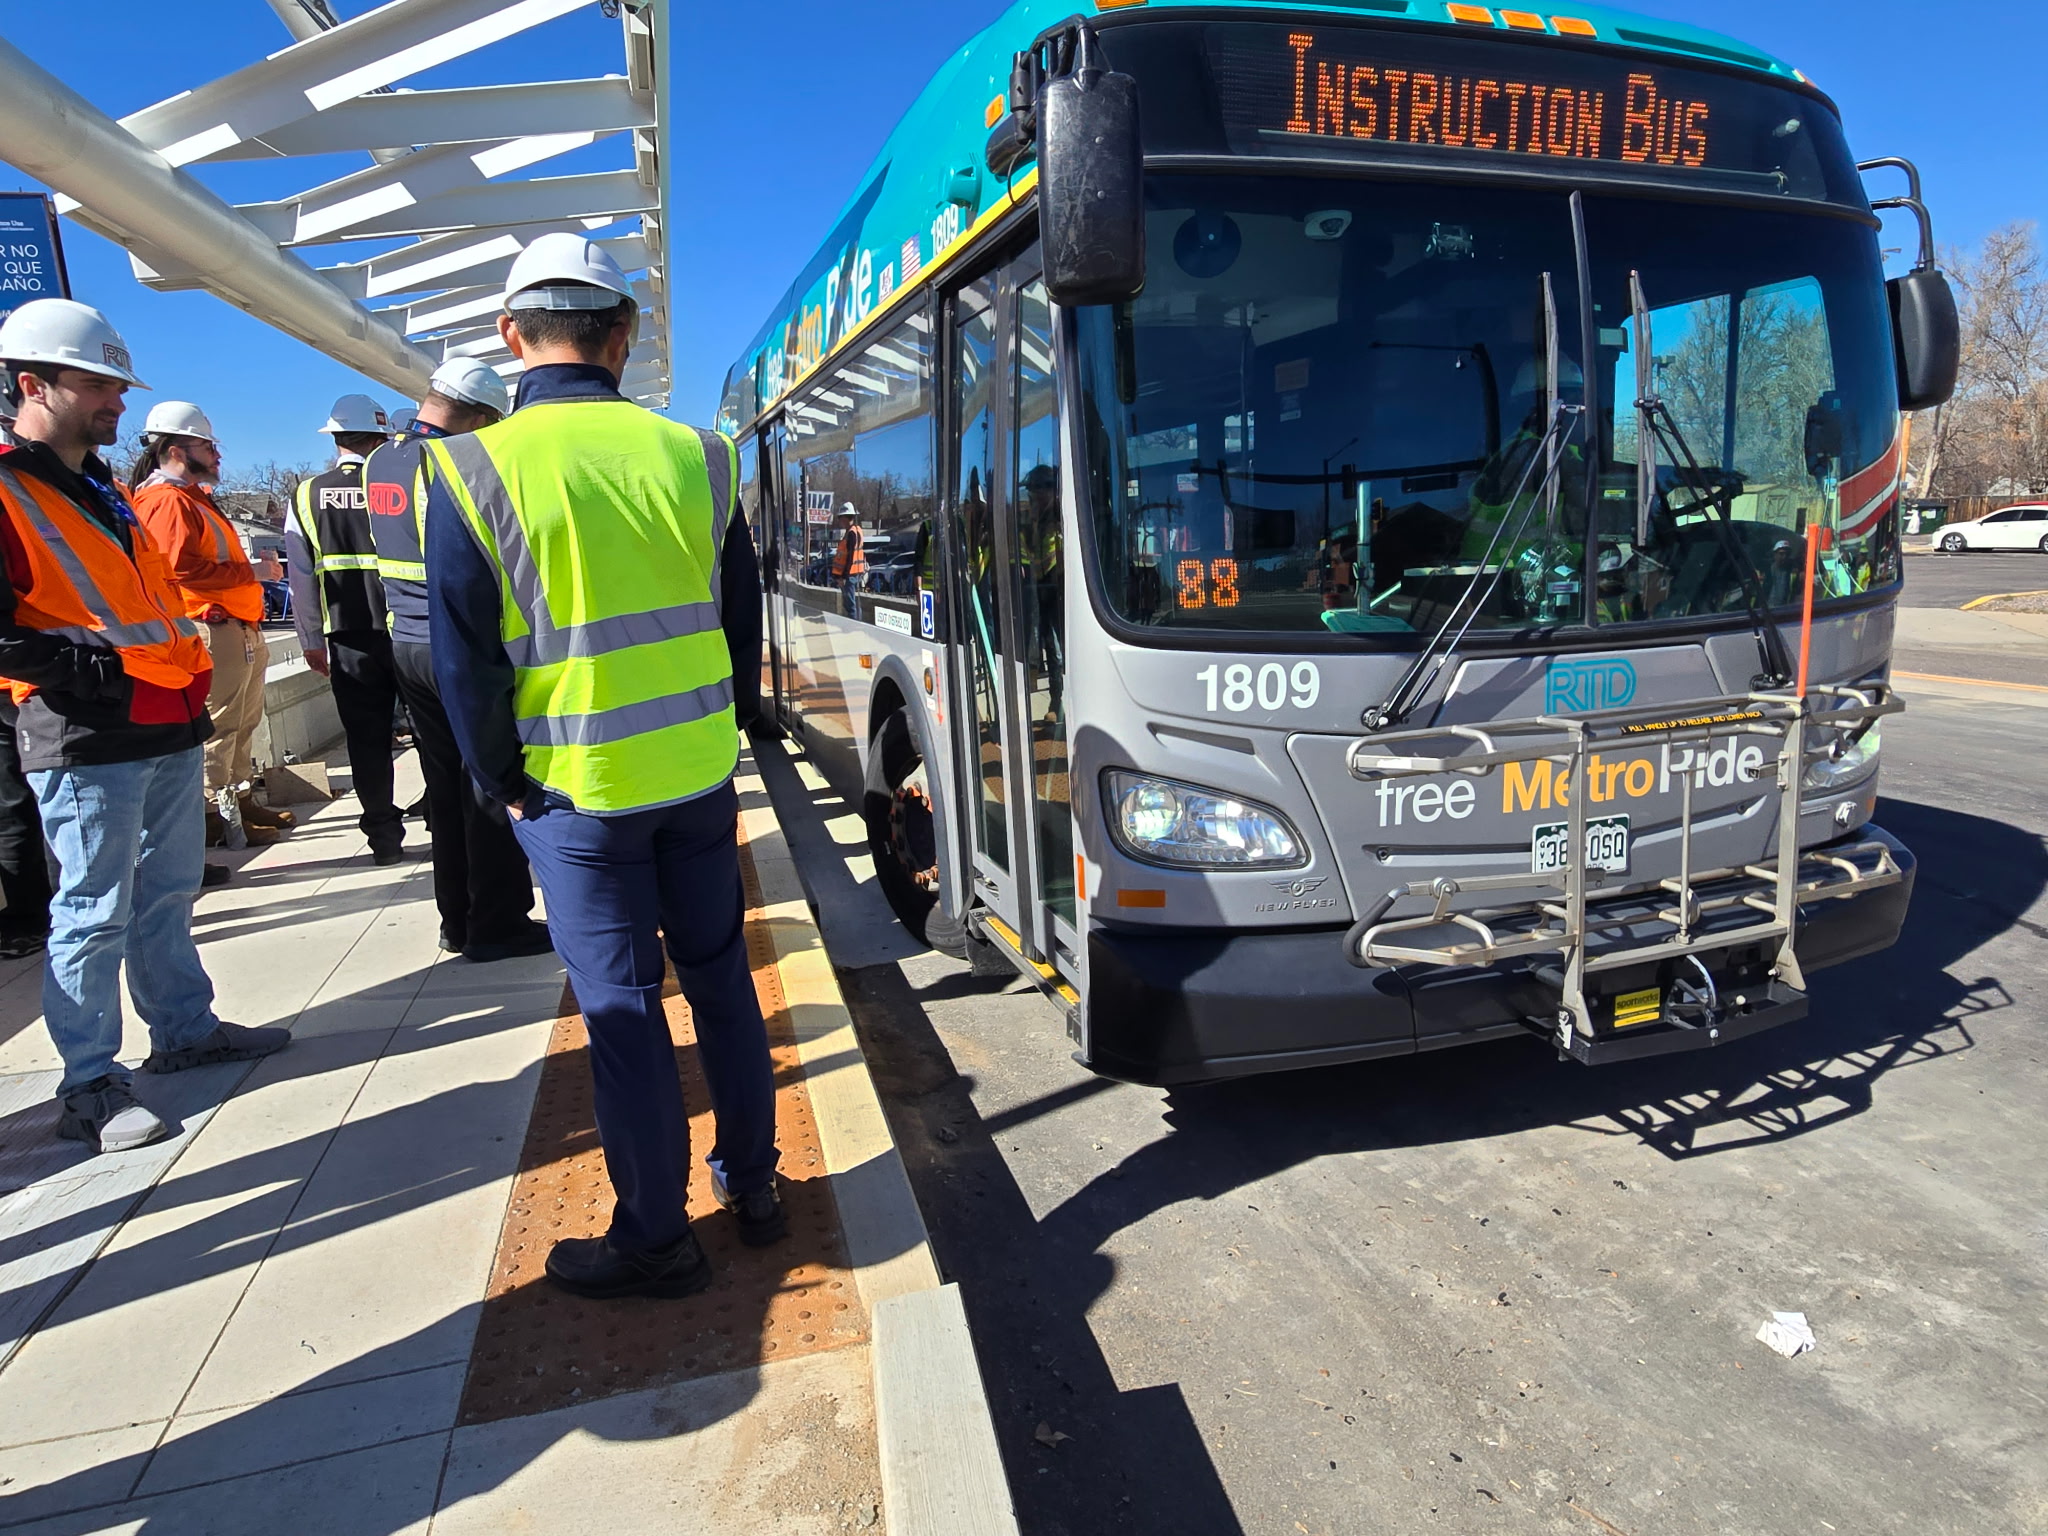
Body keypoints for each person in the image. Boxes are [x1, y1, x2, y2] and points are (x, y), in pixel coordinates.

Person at [425, 233, 780, 1300]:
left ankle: (656, 1238)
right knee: (723, 987)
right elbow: (737, 618)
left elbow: (463, 655)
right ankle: (754, 1188)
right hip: (695, 779)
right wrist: (726, 737)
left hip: (576, 798)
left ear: (508, 337)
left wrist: (501, 788)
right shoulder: (701, 455)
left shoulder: (468, 466)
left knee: (624, 1013)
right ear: (623, 336)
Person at [0, 298, 287, 1152]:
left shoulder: (105, 491)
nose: (118, 404)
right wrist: (71, 671)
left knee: (166, 891)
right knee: (92, 908)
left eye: (118, 387)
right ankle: (88, 1084)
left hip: (162, 713)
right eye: (98, 385)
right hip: (84, 729)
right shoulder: (9, 487)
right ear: (32, 384)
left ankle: (183, 1030)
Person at [364, 359, 549, 963]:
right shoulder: (451, 463)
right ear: (475, 416)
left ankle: (457, 919)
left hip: (404, 643)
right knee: (488, 782)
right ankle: (499, 924)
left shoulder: (379, 460)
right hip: (451, 644)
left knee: (443, 787)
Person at [128, 401, 295, 851]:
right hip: (211, 626)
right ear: (177, 449)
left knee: (242, 723)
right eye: (207, 445)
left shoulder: (191, 500)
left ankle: (238, 802)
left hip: (235, 627)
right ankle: (212, 816)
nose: (217, 454)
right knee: (220, 726)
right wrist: (253, 576)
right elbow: (177, 570)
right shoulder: (165, 502)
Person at [287, 395, 405, 864]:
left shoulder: (306, 495)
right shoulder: (397, 486)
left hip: (348, 636)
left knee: (366, 739)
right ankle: (443, 821)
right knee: (435, 732)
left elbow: (300, 574)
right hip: (407, 628)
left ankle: (383, 838)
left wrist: (311, 640)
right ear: (379, 438)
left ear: (336, 439)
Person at [830, 502, 865, 616]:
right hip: (854, 573)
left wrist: (844, 577)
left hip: (850, 575)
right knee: (852, 604)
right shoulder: (855, 530)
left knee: (850, 605)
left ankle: (854, 627)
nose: (839, 520)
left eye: (840, 517)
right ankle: (856, 624)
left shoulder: (851, 533)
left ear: (846, 518)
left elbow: (850, 557)